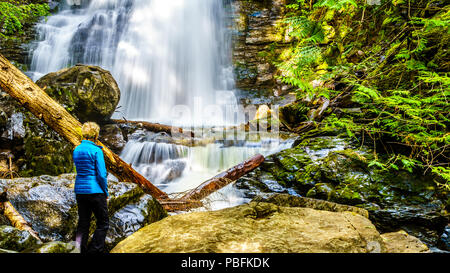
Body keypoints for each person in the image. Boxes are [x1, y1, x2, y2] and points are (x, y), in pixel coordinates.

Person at [73, 122, 109, 253]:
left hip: (80, 191)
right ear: (95, 134)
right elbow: (101, 174)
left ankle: (79, 249)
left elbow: (79, 169)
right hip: (95, 191)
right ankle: (94, 250)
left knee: (83, 223)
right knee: (103, 223)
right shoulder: (96, 150)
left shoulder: (76, 150)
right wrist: (105, 192)